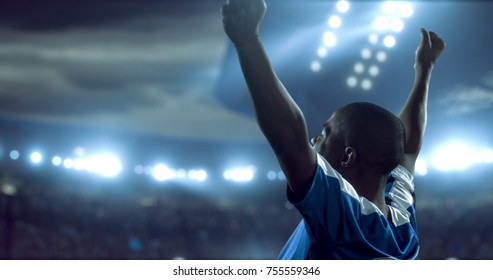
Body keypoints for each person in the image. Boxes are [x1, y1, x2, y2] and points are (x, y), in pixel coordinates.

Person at [221, 0, 445, 259]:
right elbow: (407, 148)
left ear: (347, 157)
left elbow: (290, 137)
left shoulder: (346, 220)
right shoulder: (402, 227)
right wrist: (424, 70)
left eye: (325, 133)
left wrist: (247, 42)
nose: (314, 139)